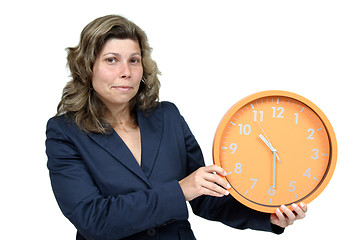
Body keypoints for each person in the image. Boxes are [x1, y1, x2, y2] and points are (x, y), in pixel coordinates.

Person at [45, 14, 307, 240]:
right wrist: (179, 190)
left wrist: (269, 216)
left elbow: (205, 197)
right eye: (111, 60)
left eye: (134, 60)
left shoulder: (167, 116)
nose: (125, 71)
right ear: (87, 67)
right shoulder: (65, 132)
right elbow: (93, 220)